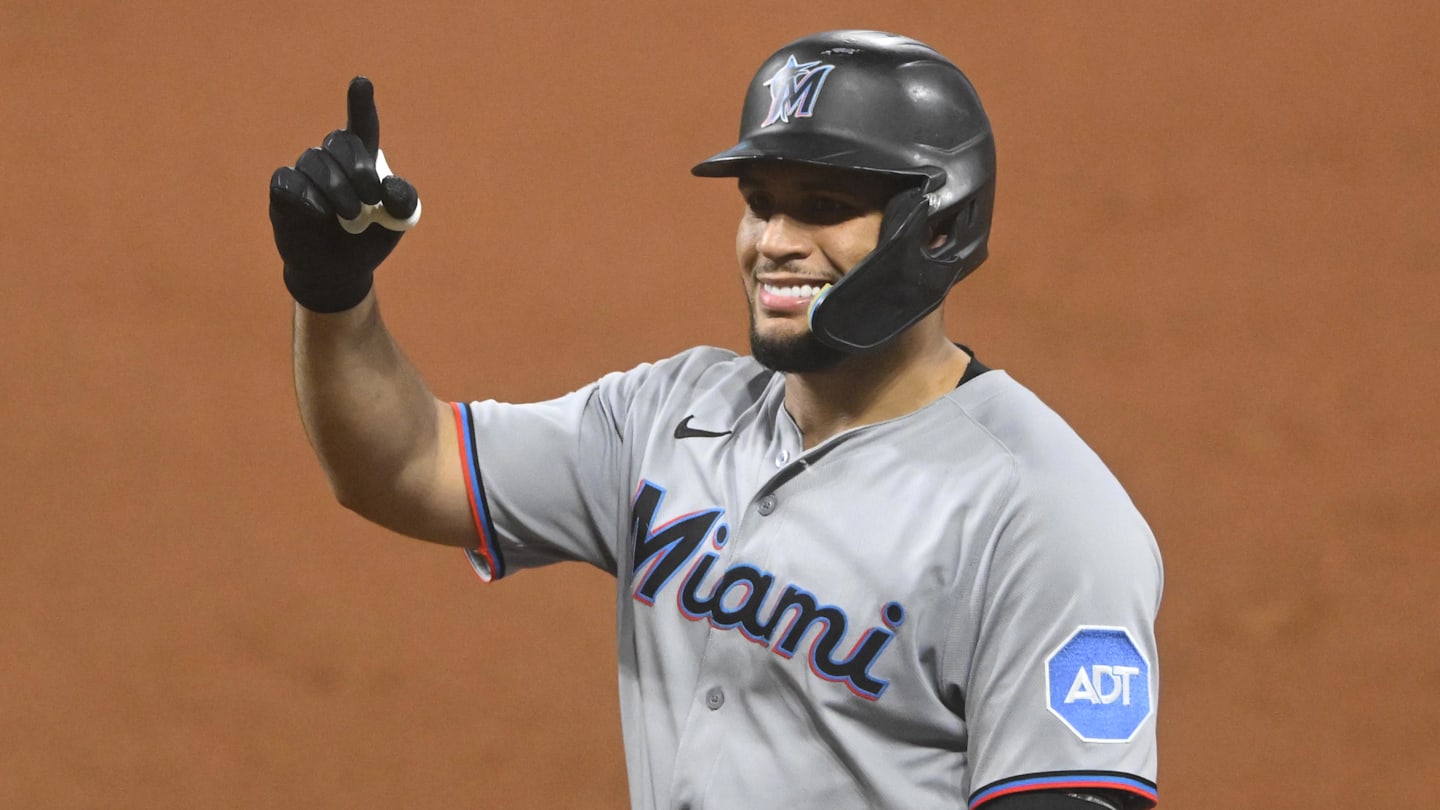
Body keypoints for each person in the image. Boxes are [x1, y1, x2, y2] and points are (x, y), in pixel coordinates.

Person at [269, 29, 1162, 810]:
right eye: (760, 202)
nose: (773, 239)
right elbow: (405, 464)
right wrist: (332, 290)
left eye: (824, 207)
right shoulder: (670, 417)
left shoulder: (1044, 519)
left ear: (938, 228)